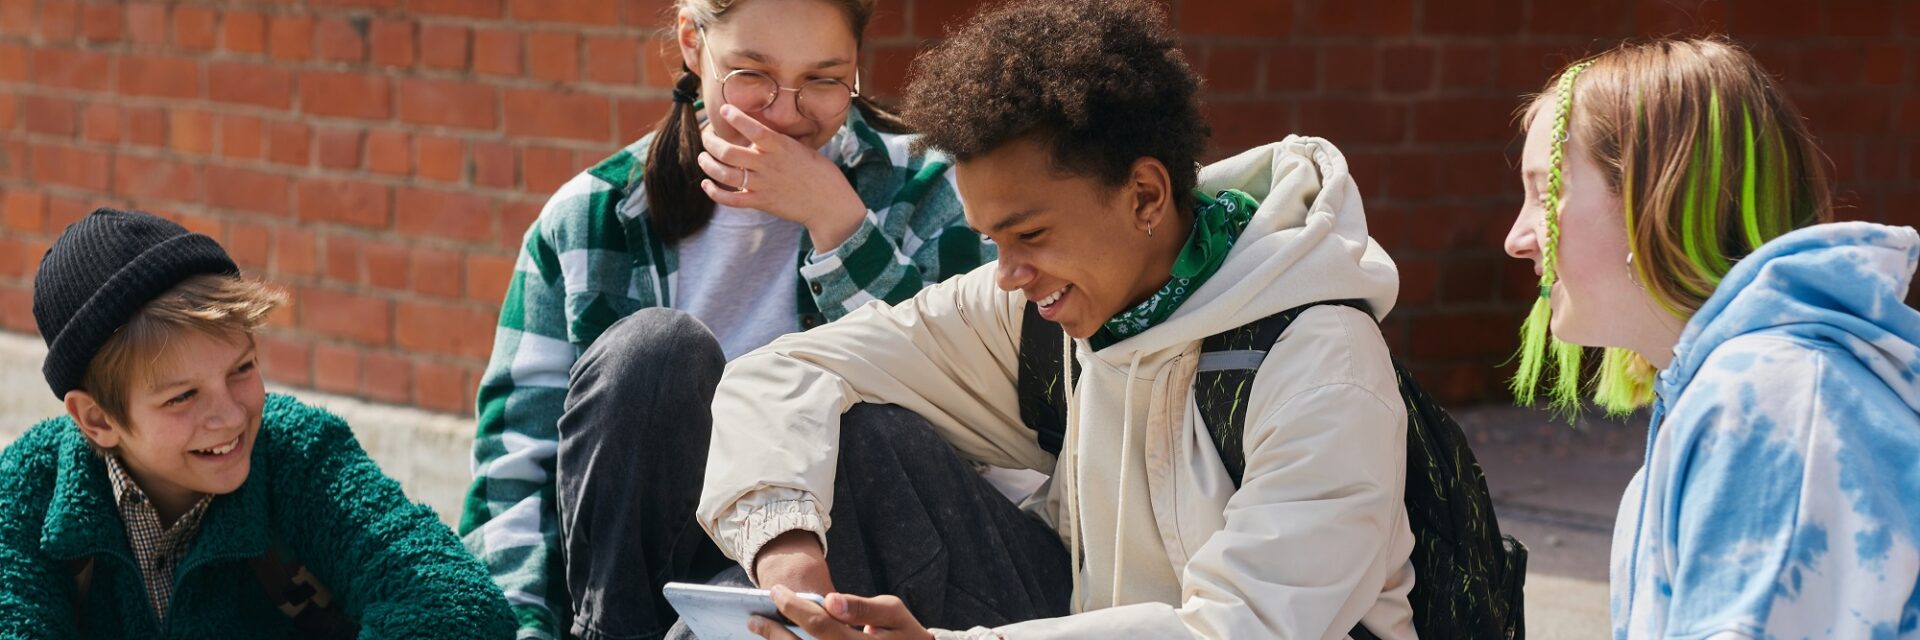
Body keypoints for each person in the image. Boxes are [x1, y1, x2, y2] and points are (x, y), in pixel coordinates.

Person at [695, 1, 1420, 638]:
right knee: (860, 432)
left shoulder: (1322, 364)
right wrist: (788, 551)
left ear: (1144, 196)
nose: (1008, 274)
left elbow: (1246, 627)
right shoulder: (1026, 313)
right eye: (992, 241)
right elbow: (782, 373)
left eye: (1030, 235)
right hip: (1071, 611)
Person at [453, 0, 991, 637]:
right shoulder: (591, 218)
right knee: (658, 351)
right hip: (635, 584)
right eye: (752, 74)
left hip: (840, 581)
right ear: (691, 43)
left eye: (823, 79)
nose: (786, 112)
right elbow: (516, 469)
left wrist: (838, 225)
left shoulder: (934, 189)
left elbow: (966, 423)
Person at [1502, 38, 1920, 638]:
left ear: (1652, 197)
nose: (1518, 238)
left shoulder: (1775, 399)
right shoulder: (1743, 390)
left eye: (1545, 194)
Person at [0, 208, 515, 638]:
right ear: (96, 419)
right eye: (183, 397)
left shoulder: (302, 452)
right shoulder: (27, 491)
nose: (229, 416)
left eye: (242, 369)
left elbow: (457, 604)